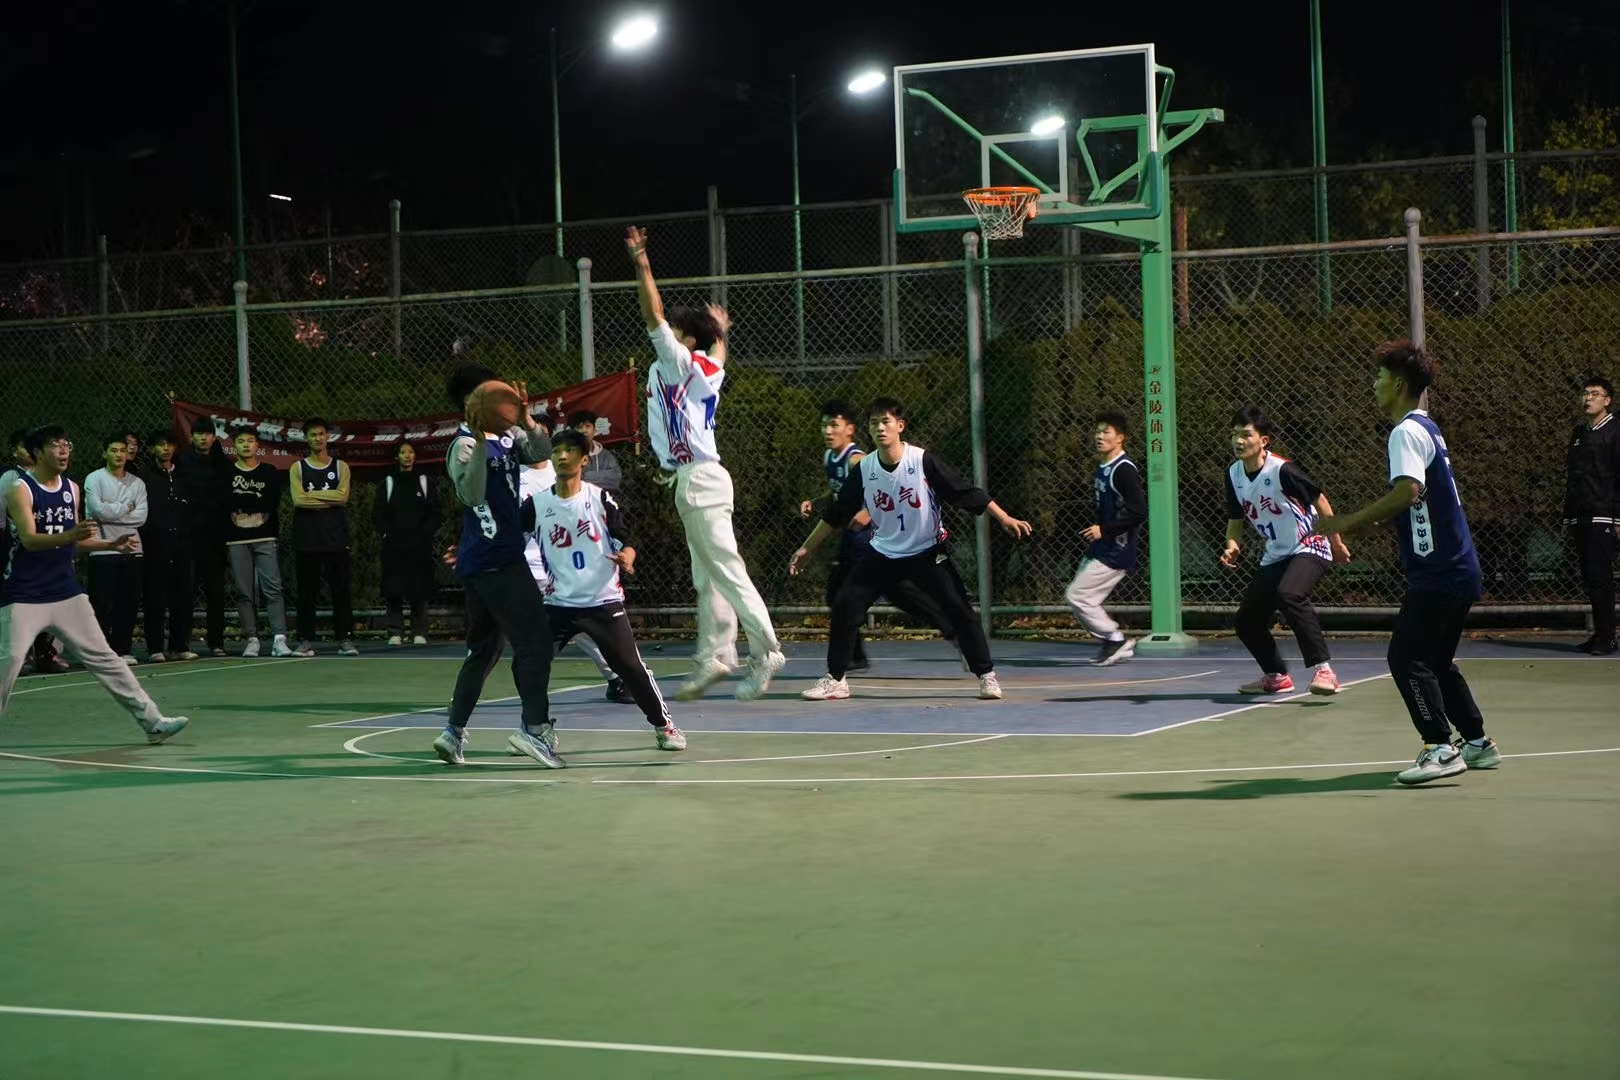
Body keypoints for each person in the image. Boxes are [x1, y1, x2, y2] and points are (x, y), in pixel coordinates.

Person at [1315, 340, 1500, 786]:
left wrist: (1347, 522)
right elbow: (1421, 499)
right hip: (1457, 567)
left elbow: (1408, 491)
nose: (1373, 385)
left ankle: (1440, 747)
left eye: (1379, 377)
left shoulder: (1404, 432)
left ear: (1398, 384)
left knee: (1406, 658)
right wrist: (1383, 523)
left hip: (1440, 571)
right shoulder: (1427, 428)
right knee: (1436, 661)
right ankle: (1477, 743)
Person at [626, 225, 785, 701]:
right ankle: (715, 655)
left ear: (685, 339)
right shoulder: (706, 367)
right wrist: (721, 332)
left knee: (726, 570)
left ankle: (766, 650)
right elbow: (717, 352)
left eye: (675, 331)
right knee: (709, 575)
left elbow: (653, 313)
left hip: (698, 476)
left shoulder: (675, 362)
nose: (665, 333)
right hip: (698, 477)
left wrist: (642, 263)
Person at [789, 397, 1034, 701]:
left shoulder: (922, 461)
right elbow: (837, 513)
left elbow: (964, 491)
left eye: (886, 422)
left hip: (927, 552)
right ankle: (836, 679)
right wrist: (806, 548)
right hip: (883, 554)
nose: (880, 428)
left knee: (959, 609)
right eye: (874, 423)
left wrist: (1004, 517)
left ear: (900, 426)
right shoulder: (865, 468)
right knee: (845, 605)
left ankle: (986, 675)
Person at [0, 425, 188, 743]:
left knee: (104, 657)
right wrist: (71, 535)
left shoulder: (71, 488)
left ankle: (153, 722)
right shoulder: (21, 489)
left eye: (66, 444)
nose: (63, 450)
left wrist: (109, 545)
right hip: (24, 593)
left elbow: (72, 542)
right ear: (37, 453)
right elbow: (30, 540)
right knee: (10, 661)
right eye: (55, 445)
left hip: (66, 593)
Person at [435, 363, 563, 769]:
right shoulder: (463, 445)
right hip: (496, 560)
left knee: (485, 649)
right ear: (476, 402)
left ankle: (452, 732)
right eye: (497, 393)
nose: (505, 396)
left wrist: (526, 419)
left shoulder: (508, 436)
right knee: (535, 642)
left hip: (491, 558)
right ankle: (535, 730)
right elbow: (472, 495)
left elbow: (542, 454)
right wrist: (477, 438)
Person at [531, 428, 685, 749]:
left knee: (630, 667)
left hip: (602, 602)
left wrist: (627, 556)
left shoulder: (599, 498)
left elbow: (625, 538)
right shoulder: (537, 504)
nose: (561, 456)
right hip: (557, 604)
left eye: (569, 451)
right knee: (528, 664)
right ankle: (536, 729)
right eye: (556, 451)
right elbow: (507, 537)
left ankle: (664, 726)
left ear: (584, 460)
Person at [798, 400, 961, 673]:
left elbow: (891, 487)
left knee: (884, 593)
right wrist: (817, 502)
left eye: (834, 425)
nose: (828, 431)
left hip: (872, 537)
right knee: (863, 593)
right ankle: (856, 656)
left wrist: (868, 512)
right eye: (824, 425)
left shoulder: (857, 459)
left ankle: (955, 631)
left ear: (850, 430)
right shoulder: (830, 458)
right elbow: (840, 492)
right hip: (852, 538)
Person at [1219, 408, 1350, 695]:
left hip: (1309, 544)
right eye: (1234, 435)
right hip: (1277, 553)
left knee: (1290, 593)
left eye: (1246, 435)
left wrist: (1337, 543)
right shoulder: (1233, 474)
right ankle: (1276, 675)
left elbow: (1320, 500)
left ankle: (1324, 671)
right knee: (1246, 621)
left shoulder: (1282, 470)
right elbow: (1235, 519)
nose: (1238, 441)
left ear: (1263, 440)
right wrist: (1232, 545)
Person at [520, 454, 632, 703]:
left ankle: (619, 676)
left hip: (560, 570)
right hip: (523, 567)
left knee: (580, 627)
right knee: (495, 632)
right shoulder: (512, 477)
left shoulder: (562, 472)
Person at [1065, 411, 1147, 666]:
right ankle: (1112, 641)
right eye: (1098, 431)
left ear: (1120, 438)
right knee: (1082, 598)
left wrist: (1105, 530)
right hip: (1103, 546)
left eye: (1106, 432)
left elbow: (1139, 512)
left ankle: (1115, 639)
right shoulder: (1104, 467)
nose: (1099, 436)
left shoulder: (1124, 470)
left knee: (1077, 596)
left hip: (1118, 549)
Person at [225, 426, 295, 658]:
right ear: (234, 446)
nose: (246, 445)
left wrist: (244, 504)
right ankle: (252, 639)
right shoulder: (227, 473)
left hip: (265, 536)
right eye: (241, 441)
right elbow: (226, 501)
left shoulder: (268, 471)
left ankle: (279, 639)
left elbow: (270, 501)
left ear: (257, 445)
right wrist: (247, 504)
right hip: (236, 538)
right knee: (244, 591)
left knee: (273, 588)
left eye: (250, 440)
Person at [2, 430, 68, 674]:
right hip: (20, 551)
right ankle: (16, 657)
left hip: (49, 553)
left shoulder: (50, 477)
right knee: (19, 607)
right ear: (15, 452)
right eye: (23, 447)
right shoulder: (12, 478)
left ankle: (45, 653)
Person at [289, 417, 357, 656]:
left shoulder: (341, 467)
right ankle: (305, 640)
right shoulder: (298, 468)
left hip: (335, 538)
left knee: (340, 591)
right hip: (307, 539)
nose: (317, 438)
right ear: (306, 439)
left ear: (327, 437)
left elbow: (343, 497)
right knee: (306, 592)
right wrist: (329, 498)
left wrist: (313, 495)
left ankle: (345, 639)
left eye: (321, 434)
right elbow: (298, 500)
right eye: (313, 435)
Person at [1564, 374, 1617, 655]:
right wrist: (1569, 516)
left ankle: (1608, 638)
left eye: (1595, 394)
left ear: (1607, 400)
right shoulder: (1579, 433)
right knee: (1590, 579)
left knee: (1600, 578)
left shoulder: (1615, 431)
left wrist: (1617, 518)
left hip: (1604, 517)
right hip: (1581, 517)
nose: (1588, 398)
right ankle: (1600, 634)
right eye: (1585, 393)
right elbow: (1574, 477)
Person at [84, 432, 148, 663]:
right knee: (102, 604)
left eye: (123, 450)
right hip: (102, 549)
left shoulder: (137, 483)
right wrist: (126, 507)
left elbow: (141, 517)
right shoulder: (94, 479)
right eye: (114, 450)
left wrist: (113, 511)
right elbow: (98, 511)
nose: (119, 454)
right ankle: (101, 652)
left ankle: (123, 649)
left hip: (132, 548)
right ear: (104, 453)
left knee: (128, 604)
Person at [137, 430, 198, 662]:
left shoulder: (184, 474)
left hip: (182, 543)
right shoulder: (144, 476)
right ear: (152, 448)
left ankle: (179, 646)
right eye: (161, 445)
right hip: (155, 544)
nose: (165, 449)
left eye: (169, 444)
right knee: (155, 598)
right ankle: (155, 647)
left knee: (182, 596)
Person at [373, 440, 438, 646]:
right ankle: (395, 632)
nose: (407, 456)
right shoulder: (388, 483)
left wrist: (425, 534)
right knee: (393, 589)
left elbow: (435, 512)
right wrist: (386, 534)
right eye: (403, 452)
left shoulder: (425, 482)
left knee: (419, 589)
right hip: (393, 547)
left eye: (410, 452)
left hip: (420, 547)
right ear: (397, 456)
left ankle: (420, 632)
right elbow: (378, 513)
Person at [176, 420, 230, 656]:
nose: (203, 438)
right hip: (189, 537)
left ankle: (216, 642)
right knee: (185, 591)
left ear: (214, 437)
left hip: (216, 538)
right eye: (199, 434)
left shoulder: (223, 464)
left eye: (207, 434)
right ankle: (183, 643)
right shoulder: (181, 462)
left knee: (216, 592)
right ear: (192, 437)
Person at [568, 409, 622, 492]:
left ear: (595, 429)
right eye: (579, 427)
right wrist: (601, 477)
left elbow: (615, 479)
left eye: (588, 426)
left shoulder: (605, 455)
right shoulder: (566, 454)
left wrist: (583, 476)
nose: (584, 431)